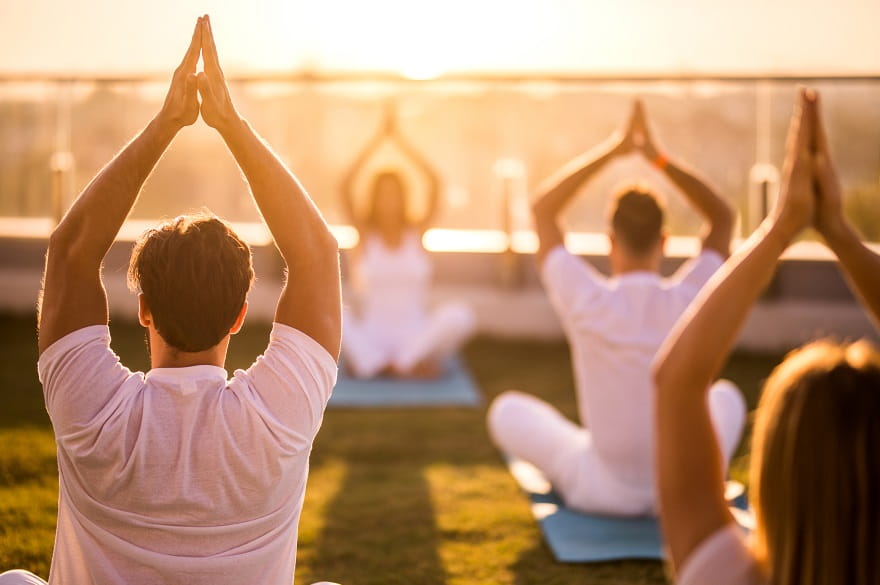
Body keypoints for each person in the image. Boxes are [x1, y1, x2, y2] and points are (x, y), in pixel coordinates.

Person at [0, 16, 341, 585]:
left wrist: (166, 123)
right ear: (239, 315)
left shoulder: (94, 415)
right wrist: (230, 124)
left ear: (143, 308)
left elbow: (70, 251)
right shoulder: (277, 420)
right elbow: (316, 254)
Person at [653, 89, 880, 585]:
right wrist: (838, 231)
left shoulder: (725, 574)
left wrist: (781, 226)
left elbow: (676, 382)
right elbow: (680, 383)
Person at [487, 100, 746, 516]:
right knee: (727, 396)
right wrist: (655, 157)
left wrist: (614, 149)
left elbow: (542, 209)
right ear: (664, 242)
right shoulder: (691, 299)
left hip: (601, 491)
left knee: (506, 410)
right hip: (680, 489)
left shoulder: (587, 299)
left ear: (610, 241)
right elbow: (722, 216)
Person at [339, 105, 475, 379]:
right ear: (373, 200)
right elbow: (345, 185)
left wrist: (400, 142)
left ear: (404, 198)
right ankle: (399, 366)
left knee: (460, 316)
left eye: (395, 195)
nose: (389, 202)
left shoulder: (418, 233)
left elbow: (435, 183)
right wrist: (378, 140)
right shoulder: (365, 236)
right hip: (372, 335)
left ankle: (388, 365)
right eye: (383, 195)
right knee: (333, 313)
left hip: (415, 334)